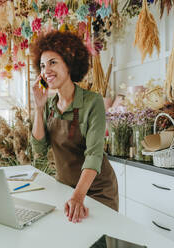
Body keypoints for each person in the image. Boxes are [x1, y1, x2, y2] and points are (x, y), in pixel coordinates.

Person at [30, 31, 118, 224]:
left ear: (69, 63)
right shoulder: (49, 105)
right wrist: (38, 106)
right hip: (65, 189)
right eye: (43, 65)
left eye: (53, 62)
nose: (47, 70)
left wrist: (78, 196)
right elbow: (39, 149)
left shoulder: (92, 101)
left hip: (97, 190)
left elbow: (94, 154)